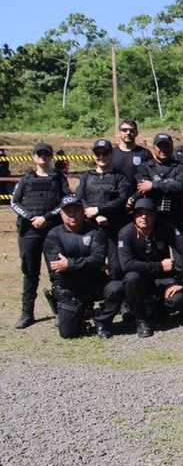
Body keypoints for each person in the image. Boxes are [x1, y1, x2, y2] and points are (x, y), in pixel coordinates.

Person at [43, 196, 123, 339]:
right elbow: (57, 266)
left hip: (94, 283)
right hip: (70, 289)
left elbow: (98, 259)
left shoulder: (95, 231)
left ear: (83, 211)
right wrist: (87, 263)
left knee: (117, 287)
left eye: (76, 210)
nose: (72, 214)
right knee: (68, 334)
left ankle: (102, 321)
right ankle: (75, 315)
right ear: (61, 214)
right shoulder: (53, 235)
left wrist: (70, 264)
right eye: (68, 211)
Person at [11, 142, 70, 328]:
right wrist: (30, 217)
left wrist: (45, 218)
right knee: (30, 273)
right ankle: (27, 313)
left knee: (57, 272)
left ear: (51, 156)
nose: (42, 157)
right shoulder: (25, 179)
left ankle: (62, 312)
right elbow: (14, 202)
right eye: (39, 154)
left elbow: (65, 202)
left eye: (46, 154)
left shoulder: (59, 179)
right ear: (33, 156)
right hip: (29, 232)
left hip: (52, 230)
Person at [118, 198, 183, 337]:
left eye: (148, 213)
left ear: (155, 215)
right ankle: (141, 320)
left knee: (178, 299)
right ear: (133, 216)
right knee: (131, 278)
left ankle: (160, 310)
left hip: (163, 278)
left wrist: (181, 282)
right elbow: (126, 264)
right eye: (139, 213)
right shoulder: (125, 233)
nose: (143, 217)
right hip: (140, 277)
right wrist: (159, 266)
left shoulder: (165, 227)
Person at [75, 139, 132, 278]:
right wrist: (95, 215)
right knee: (91, 265)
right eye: (98, 153)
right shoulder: (86, 177)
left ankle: (115, 297)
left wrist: (99, 210)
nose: (101, 157)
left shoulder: (119, 177)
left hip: (114, 226)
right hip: (91, 227)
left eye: (105, 153)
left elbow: (122, 199)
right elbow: (80, 199)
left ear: (111, 154)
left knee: (116, 267)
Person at [135, 133, 183, 232]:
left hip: (176, 216)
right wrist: (169, 185)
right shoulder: (145, 167)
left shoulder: (181, 167)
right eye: (160, 146)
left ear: (172, 148)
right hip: (151, 217)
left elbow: (180, 186)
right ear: (153, 148)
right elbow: (143, 187)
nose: (163, 149)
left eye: (166, 146)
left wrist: (153, 185)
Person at [111, 119, 152, 187]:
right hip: (115, 196)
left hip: (139, 196)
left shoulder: (145, 154)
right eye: (124, 130)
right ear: (118, 132)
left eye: (131, 130)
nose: (128, 133)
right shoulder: (110, 154)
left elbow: (151, 177)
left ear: (136, 133)